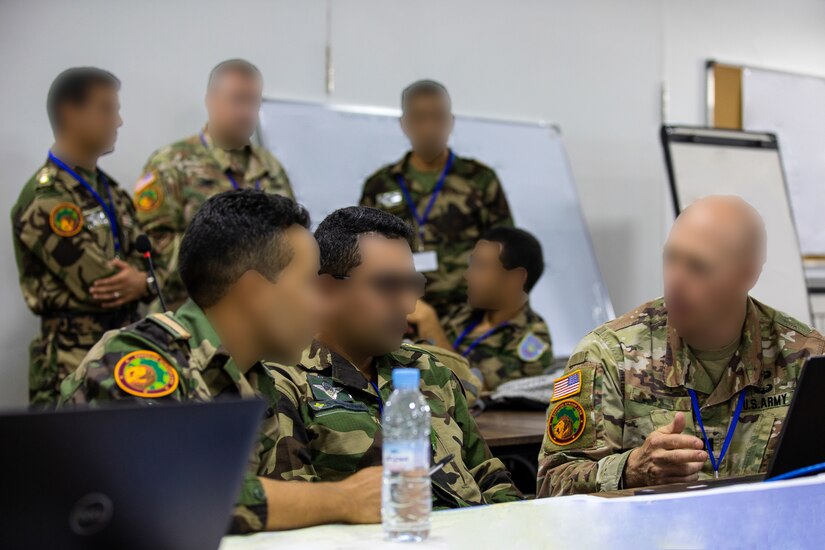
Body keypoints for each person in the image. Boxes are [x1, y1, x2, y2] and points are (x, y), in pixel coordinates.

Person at [59, 190, 382, 533]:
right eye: (308, 284)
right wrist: (344, 499)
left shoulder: (256, 379)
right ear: (255, 292)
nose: (321, 306)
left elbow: (278, 500)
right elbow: (170, 495)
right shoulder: (138, 361)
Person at [536, 196, 825, 497]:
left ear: (746, 275)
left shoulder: (804, 356)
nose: (675, 280)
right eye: (670, 258)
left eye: (698, 267)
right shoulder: (609, 354)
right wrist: (631, 470)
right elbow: (550, 485)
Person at [267, 206, 523, 507]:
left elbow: (488, 475)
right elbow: (300, 510)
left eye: (412, 286)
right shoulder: (285, 382)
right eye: (387, 286)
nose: (407, 306)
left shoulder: (428, 369)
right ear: (327, 289)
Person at [11, 67, 151, 407]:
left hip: (124, 353)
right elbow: (102, 283)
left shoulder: (111, 190)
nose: (117, 121)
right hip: (72, 366)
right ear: (69, 113)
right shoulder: (47, 199)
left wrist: (143, 280)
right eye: (107, 109)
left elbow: (150, 258)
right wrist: (147, 282)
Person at [135, 58, 294, 310]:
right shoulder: (171, 164)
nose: (246, 113)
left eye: (253, 102)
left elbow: (290, 236)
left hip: (259, 316)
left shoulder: (270, 166)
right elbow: (151, 247)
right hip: (191, 316)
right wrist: (230, 253)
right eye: (238, 100)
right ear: (210, 101)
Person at [359, 80, 513, 320]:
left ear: (450, 122)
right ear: (404, 124)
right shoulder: (380, 185)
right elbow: (365, 257)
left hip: (468, 314)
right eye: (420, 118)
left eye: (438, 117)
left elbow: (505, 252)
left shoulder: (480, 180)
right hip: (400, 313)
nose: (430, 127)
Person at [410, 227, 553, 391]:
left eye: (481, 266)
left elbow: (473, 390)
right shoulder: (464, 314)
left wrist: (429, 323)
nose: (467, 274)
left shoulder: (532, 341)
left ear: (515, 278)